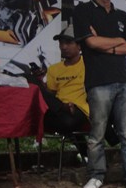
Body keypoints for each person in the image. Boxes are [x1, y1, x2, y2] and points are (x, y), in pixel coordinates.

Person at [73, 0, 126, 188]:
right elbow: (91, 43)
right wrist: (119, 41)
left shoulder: (123, 16)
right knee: (97, 133)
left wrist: (106, 45)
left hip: (124, 80)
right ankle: (96, 175)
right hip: (98, 81)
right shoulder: (83, 11)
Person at [37, 26, 90, 158]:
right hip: (59, 109)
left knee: (67, 123)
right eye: (61, 43)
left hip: (80, 108)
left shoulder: (89, 64)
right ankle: (87, 155)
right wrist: (41, 83)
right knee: (32, 82)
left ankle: (86, 154)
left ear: (79, 46)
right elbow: (50, 95)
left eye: (68, 43)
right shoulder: (54, 69)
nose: (64, 47)